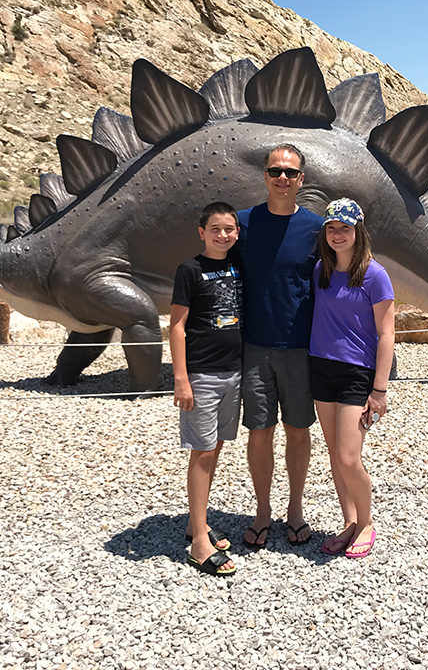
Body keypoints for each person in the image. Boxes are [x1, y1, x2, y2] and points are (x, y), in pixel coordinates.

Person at [236, 144, 323, 548]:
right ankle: (263, 512)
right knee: (259, 432)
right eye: (276, 171)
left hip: (299, 348)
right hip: (254, 346)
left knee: (299, 430)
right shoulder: (242, 224)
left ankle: (295, 510)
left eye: (290, 173)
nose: (283, 179)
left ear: (301, 179)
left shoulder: (316, 229)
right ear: (265, 176)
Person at [309, 198, 395, 559]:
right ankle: (349, 522)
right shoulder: (320, 271)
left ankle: (367, 522)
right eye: (332, 228)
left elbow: (387, 333)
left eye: (345, 228)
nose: (338, 234)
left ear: (358, 231)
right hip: (321, 368)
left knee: (348, 456)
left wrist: (379, 390)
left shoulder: (375, 275)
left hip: (357, 374)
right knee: (334, 453)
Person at [169, 202, 243, 576]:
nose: (223, 235)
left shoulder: (236, 265)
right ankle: (199, 542)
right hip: (202, 375)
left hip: (234, 373)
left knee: (214, 448)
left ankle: (196, 522)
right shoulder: (190, 270)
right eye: (216, 229)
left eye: (229, 229)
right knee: (200, 452)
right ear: (202, 233)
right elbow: (177, 326)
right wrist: (181, 378)